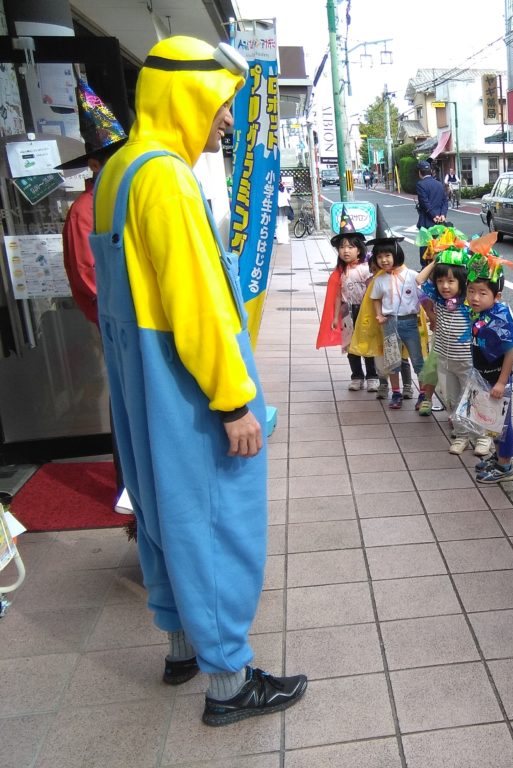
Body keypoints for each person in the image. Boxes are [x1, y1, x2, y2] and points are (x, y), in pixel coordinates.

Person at [91, 36, 306, 725]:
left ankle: (183, 649)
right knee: (216, 521)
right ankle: (229, 683)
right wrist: (235, 399)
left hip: (136, 376)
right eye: (219, 104)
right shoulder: (167, 178)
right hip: (185, 382)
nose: (226, 121)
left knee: (163, 513)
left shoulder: (119, 172)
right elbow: (198, 304)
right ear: (186, 95)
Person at [58, 74, 131, 515]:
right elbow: (89, 279)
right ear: (95, 164)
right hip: (115, 325)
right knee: (123, 405)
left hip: (131, 320)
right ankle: (128, 486)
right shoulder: (85, 211)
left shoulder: (117, 202)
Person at [464, 248, 513, 479]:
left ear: (497, 296)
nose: (475, 297)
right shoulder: (480, 313)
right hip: (484, 376)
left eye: (482, 293)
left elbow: (511, 351)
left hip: (497, 379)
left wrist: (501, 382)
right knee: (492, 422)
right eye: (471, 291)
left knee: (502, 424)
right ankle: (498, 457)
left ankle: (505, 466)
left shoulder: (500, 317)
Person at [417, 229, 473, 437]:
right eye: (440, 281)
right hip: (444, 358)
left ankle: (476, 434)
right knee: (451, 397)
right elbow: (420, 281)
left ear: (462, 282)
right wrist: (437, 260)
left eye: (451, 281)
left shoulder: (468, 302)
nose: (444, 286)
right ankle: (460, 434)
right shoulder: (439, 301)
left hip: (466, 360)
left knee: (469, 397)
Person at [368, 237, 433, 411]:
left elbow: (422, 285)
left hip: (410, 322)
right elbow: (375, 298)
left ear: (396, 253)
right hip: (389, 323)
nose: (383, 260)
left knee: (418, 359)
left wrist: (435, 261)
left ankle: (423, 394)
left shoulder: (411, 275)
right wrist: (379, 315)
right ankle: (396, 392)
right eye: (379, 257)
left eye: (387, 255)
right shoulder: (379, 280)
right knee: (392, 360)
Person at [315, 213, 377, 391]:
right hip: (346, 312)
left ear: (359, 249)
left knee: (366, 343)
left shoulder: (366, 270)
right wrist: (335, 317)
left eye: (350, 247)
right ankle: (357, 376)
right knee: (350, 346)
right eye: (342, 247)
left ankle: (372, 376)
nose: (346, 251)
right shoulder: (340, 272)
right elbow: (337, 296)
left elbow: (374, 292)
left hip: (366, 312)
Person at [416, 160, 448, 266]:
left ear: (420, 172)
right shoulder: (439, 184)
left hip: (427, 221)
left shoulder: (420, 184)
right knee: (439, 246)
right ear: (431, 172)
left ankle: (425, 268)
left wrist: (433, 216)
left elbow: (424, 203)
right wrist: (442, 215)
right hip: (440, 222)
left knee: (425, 248)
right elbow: (445, 201)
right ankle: (438, 266)